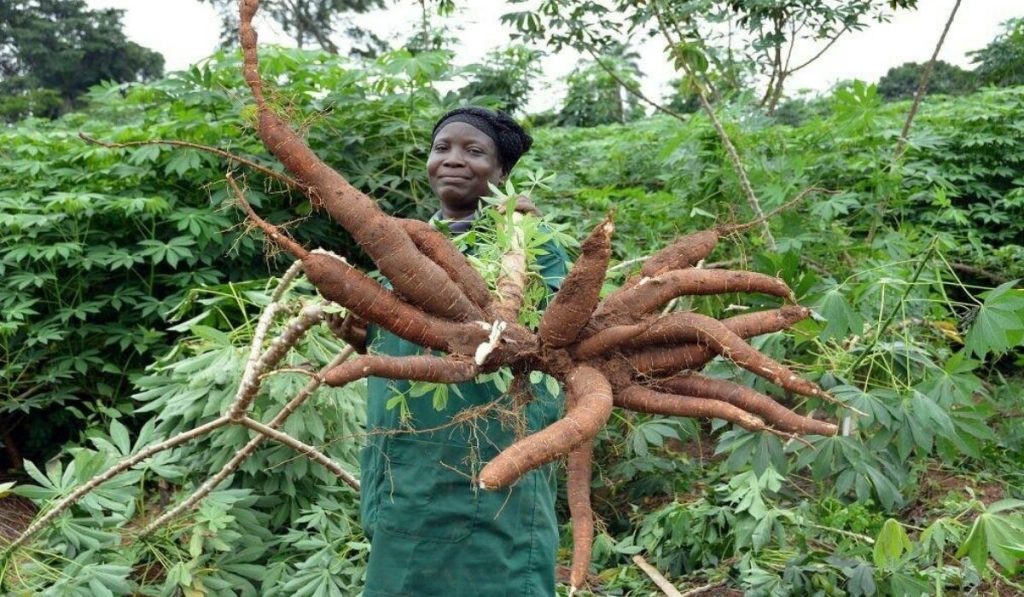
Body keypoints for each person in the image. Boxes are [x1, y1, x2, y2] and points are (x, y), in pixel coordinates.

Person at [347, 106, 570, 596]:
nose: (452, 159)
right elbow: (395, 340)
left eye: (474, 151)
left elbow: (559, 338)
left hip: (493, 444)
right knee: (403, 573)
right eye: (441, 148)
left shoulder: (535, 245)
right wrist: (358, 331)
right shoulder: (402, 248)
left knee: (499, 570)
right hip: (406, 454)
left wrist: (517, 246)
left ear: (502, 173)